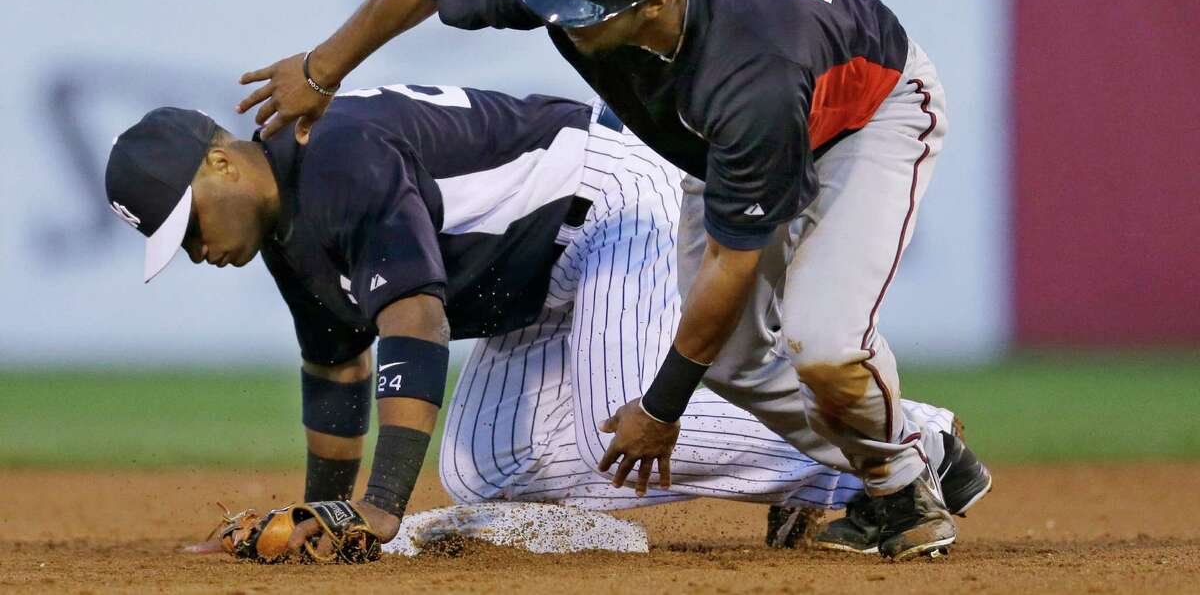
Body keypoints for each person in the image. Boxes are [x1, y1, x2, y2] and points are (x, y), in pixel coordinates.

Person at [233, 0, 992, 558]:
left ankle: (901, 482)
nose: (558, 20)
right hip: (715, 142)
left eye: (584, 15)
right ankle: (905, 456)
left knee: (821, 341)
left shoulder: (748, 72)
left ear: (659, 4)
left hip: (865, 117)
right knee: (727, 358)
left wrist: (662, 409)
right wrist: (320, 69)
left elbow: (734, 263)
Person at [105, 84, 971, 559]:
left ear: (223, 159)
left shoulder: (335, 154)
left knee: (635, 414)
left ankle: (907, 443)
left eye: (188, 225)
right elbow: (337, 371)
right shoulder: (283, 230)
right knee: (487, 468)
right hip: (535, 277)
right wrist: (325, 518)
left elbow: (415, 319)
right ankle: (824, 481)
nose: (196, 251)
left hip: (610, 203)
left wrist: (380, 508)